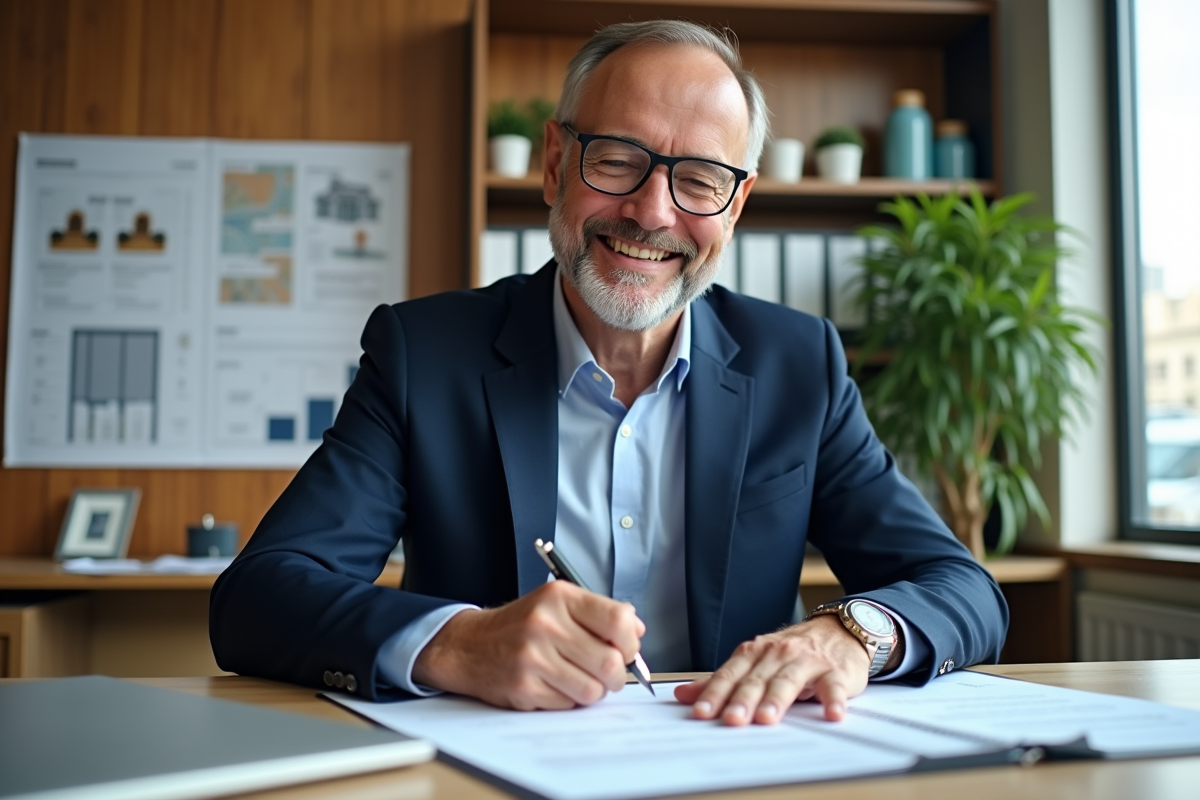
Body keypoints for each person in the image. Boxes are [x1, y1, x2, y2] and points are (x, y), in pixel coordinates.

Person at [210, 20, 1007, 727]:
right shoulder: (425, 354)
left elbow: (961, 589)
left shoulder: (800, 365)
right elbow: (259, 599)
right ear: (556, 164)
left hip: (737, 767)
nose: (653, 212)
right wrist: (456, 643)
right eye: (620, 159)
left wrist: (853, 635)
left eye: (699, 179)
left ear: (734, 207)